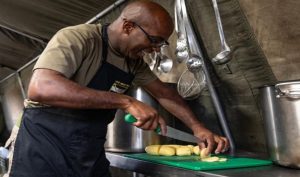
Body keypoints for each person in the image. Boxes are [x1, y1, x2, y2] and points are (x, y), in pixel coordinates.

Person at [8, 0, 229, 177]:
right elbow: (42, 87)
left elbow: (164, 94)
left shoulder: (134, 62)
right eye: (153, 40)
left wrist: (198, 128)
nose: (154, 50)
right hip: (43, 147)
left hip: (89, 149)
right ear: (128, 26)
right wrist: (126, 101)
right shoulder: (79, 38)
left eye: (160, 44)